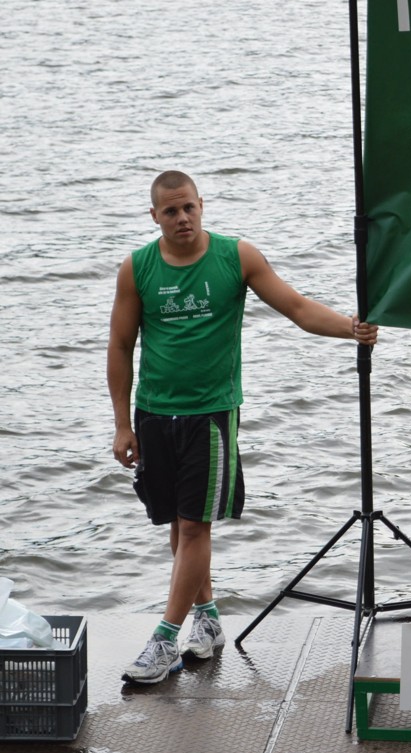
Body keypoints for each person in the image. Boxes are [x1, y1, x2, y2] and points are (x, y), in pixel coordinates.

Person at [107, 170, 379, 684]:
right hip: (154, 413)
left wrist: (352, 329)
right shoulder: (137, 268)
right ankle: (207, 619)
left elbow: (297, 308)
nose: (182, 218)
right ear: (155, 216)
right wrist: (123, 424)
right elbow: (120, 346)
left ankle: (165, 638)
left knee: (195, 526)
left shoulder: (236, 257)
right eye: (171, 211)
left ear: (202, 205)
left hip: (211, 414)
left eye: (189, 207)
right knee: (178, 525)